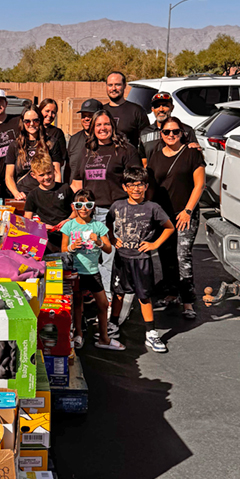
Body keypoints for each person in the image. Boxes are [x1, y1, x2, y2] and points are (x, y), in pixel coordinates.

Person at [71, 108, 141, 290]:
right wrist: (78, 212)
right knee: (91, 257)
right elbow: (77, 181)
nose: (103, 128)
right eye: (98, 125)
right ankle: (98, 298)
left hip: (116, 212)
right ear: (93, 128)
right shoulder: (87, 150)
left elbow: (137, 182)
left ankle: (110, 300)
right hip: (90, 213)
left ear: (113, 126)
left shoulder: (126, 150)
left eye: (106, 124)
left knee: (110, 258)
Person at [107, 167, 175, 353]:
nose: (136, 189)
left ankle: (151, 332)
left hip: (142, 260)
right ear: (124, 187)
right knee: (118, 294)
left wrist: (155, 244)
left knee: (144, 297)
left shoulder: (153, 208)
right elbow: (107, 222)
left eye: (140, 185)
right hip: (121, 259)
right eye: (131, 185)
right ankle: (113, 325)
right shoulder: (117, 206)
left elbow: (169, 227)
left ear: (146, 186)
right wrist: (112, 239)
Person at [147, 117, 206, 319]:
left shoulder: (192, 153)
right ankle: (172, 293)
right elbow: (152, 186)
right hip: (163, 216)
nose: (171, 135)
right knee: (166, 255)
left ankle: (188, 302)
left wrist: (188, 210)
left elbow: (200, 185)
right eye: (166, 132)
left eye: (175, 131)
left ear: (182, 133)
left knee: (183, 257)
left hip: (185, 214)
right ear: (161, 134)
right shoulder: (156, 155)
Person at [61, 189, 124, 351]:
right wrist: (71, 247)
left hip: (92, 272)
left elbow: (109, 249)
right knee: (77, 304)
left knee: (102, 304)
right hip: (75, 272)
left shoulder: (98, 226)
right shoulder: (69, 225)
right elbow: (63, 250)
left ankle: (104, 337)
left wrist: (99, 242)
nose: (83, 208)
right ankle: (78, 334)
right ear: (74, 206)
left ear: (93, 206)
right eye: (79, 204)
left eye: (88, 205)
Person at [23, 153, 74, 251]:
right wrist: (41, 227)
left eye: (49, 172)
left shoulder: (65, 188)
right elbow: (27, 220)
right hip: (47, 239)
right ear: (33, 175)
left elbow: (76, 210)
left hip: (68, 236)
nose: (46, 177)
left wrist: (68, 220)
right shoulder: (33, 195)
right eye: (41, 175)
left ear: (54, 169)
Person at [139, 92, 199, 164]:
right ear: (152, 109)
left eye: (165, 105)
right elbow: (144, 161)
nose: (161, 109)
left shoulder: (186, 131)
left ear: (172, 108)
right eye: (157, 106)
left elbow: (196, 159)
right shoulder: (144, 133)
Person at [5, 105, 50, 199]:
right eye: (27, 121)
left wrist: (53, 195)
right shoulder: (15, 145)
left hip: (44, 195)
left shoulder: (50, 143)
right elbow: (9, 176)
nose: (32, 124)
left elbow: (56, 173)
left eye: (36, 120)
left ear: (40, 121)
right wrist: (16, 193)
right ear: (23, 123)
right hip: (23, 195)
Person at [104, 71, 149, 149]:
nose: (113, 88)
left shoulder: (137, 111)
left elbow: (146, 141)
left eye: (117, 85)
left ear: (124, 86)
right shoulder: (100, 110)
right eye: (110, 85)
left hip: (129, 159)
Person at [67, 98, 103, 182]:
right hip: (76, 191)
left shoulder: (105, 140)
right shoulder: (74, 139)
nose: (86, 119)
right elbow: (68, 169)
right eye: (83, 116)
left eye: (90, 115)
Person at [38, 98, 67, 181]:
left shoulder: (57, 133)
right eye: (47, 111)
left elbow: (62, 158)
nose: (50, 115)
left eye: (53, 112)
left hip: (49, 176)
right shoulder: (33, 130)